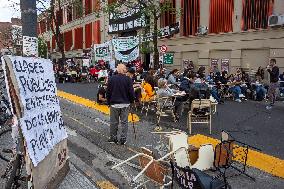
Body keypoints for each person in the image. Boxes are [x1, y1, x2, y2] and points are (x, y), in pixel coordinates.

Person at [106, 64, 135, 145]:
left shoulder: (111, 79)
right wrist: (132, 101)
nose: (126, 70)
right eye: (125, 69)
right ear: (123, 70)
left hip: (114, 104)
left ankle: (113, 138)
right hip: (125, 104)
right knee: (124, 122)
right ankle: (123, 139)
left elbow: (108, 92)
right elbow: (131, 92)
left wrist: (108, 102)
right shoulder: (128, 79)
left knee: (113, 122)